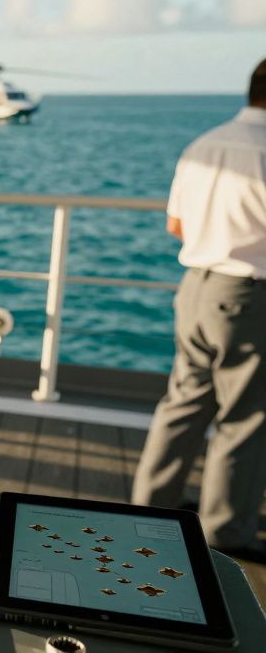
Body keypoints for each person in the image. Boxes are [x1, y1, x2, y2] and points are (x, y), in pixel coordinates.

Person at [132, 58, 266, 561]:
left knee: (185, 400)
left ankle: (153, 503)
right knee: (246, 414)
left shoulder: (205, 144)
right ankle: (228, 531)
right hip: (249, 293)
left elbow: (176, 225)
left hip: (197, 287)